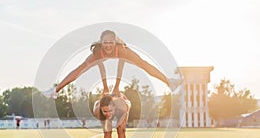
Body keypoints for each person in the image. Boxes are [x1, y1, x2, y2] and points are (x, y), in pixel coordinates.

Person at [43, 30, 181, 99]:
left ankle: (169, 82)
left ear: (115, 43)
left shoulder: (121, 49)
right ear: (101, 43)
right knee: (81, 69)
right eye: (105, 43)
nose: (108, 45)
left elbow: (121, 65)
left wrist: (116, 88)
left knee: (143, 64)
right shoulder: (97, 52)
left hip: (124, 53)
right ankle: (55, 90)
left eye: (110, 42)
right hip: (99, 57)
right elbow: (101, 67)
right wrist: (104, 88)